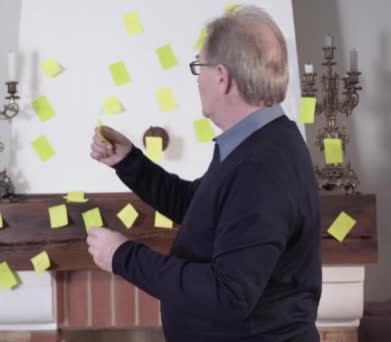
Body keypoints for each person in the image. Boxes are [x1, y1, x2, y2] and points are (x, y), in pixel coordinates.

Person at [87, 5, 321, 342]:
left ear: (222, 77)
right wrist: (129, 162)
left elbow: (227, 295)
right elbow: (198, 206)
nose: (197, 79)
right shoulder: (258, 143)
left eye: (199, 67)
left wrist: (123, 257)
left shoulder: (260, 167)